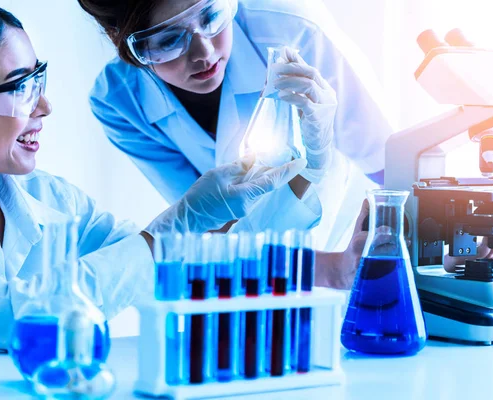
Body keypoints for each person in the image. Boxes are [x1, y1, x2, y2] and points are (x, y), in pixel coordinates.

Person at [0, 0, 305, 354]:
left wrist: (306, 177)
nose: (45, 107)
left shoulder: (52, 199)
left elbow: (175, 271)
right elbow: (12, 316)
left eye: (39, 80)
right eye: (21, 87)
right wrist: (178, 222)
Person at [77, 0, 392, 288]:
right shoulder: (119, 101)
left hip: (350, 244)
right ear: (123, 43)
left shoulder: (291, 29)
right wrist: (327, 271)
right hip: (252, 270)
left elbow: (390, 167)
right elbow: (210, 231)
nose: (204, 52)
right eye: (169, 40)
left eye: (211, 16)